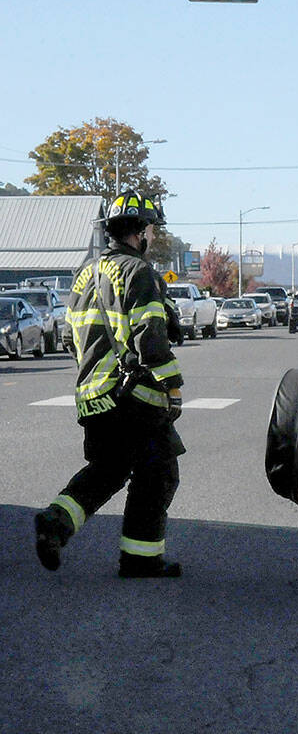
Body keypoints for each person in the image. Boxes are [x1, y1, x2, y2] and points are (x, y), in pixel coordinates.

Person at [34, 190, 187, 578]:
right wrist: (173, 388)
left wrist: (95, 375)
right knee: (159, 471)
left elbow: (70, 339)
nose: (150, 236)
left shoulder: (83, 274)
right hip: (131, 398)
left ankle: (56, 522)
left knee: (108, 470)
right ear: (139, 233)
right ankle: (140, 559)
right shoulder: (137, 272)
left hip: (92, 397)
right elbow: (148, 336)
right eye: (149, 229)